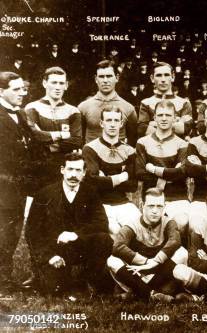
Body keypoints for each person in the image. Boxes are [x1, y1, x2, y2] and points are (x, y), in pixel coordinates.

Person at [25, 152, 113, 296]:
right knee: (54, 289)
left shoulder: (90, 192)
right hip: (54, 249)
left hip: (79, 246)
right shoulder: (45, 194)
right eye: (70, 169)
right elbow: (32, 232)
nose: (73, 175)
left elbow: (102, 223)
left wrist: (76, 234)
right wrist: (49, 256)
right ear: (62, 170)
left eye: (78, 170)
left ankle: (84, 279)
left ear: (84, 172)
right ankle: (49, 276)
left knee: (104, 239)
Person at [106, 187, 188, 303]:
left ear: (164, 207)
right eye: (151, 206)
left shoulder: (168, 222)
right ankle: (153, 293)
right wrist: (145, 262)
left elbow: (175, 241)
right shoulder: (132, 224)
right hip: (139, 271)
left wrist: (155, 261)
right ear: (142, 205)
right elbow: (117, 246)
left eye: (159, 206)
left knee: (182, 253)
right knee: (112, 260)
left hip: (161, 271)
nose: (155, 211)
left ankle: (139, 292)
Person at [82, 105, 140, 237]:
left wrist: (105, 178)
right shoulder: (90, 149)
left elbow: (133, 186)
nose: (112, 124)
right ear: (102, 123)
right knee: (116, 233)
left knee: (139, 232)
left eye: (116, 121)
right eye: (108, 120)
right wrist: (122, 176)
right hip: (99, 204)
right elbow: (92, 182)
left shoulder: (129, 151)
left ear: (121, 124)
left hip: (123, 203)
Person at [0, 72, 34, 295]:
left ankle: (5, 276)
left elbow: (31, 140)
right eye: (16, 89)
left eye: (23, 88)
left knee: (11, 232)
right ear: (1, 91)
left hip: (17, 185)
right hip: (3, 184)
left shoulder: (20, 114)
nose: (22, 93)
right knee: (3, 231)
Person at [135, 100, 190, 237]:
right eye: (160, 115)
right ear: (154, 118)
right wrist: (170, 174)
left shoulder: (182, 144)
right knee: (150, 230)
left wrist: (153, 169)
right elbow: (140, 173)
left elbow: (182, 173)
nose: (164, 118)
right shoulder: (143, 142)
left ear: (175, 118)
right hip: (151, 195)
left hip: (176, 195)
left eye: (168, 115)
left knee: (181, 222)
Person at [24, 66, 82, 186]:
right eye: (54, 82)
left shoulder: (73, 111)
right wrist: (63, 135)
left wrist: (47, 145)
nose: (57, 87)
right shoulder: (32, 107)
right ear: (45, 83)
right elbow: (34, 137)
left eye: (61, 83)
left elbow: (76, 141)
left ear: (66, 85)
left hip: (64, 167)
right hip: (38, 167)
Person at [79, 60, 138, 146]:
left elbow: (132, 142)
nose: (105, 80)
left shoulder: (128, 108)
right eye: (101, 76)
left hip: (118, 157)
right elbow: (79, 140)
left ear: (117, 78)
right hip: (91, 158)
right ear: (96, 79)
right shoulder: (83, 107)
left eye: (109, 76)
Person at [138, 62, 193, 139]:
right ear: (152, 78)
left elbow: (186, 129)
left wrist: (153, 124)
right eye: (159, 75)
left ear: (173, 77)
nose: (163, 79)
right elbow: (142, 129)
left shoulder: (184, 103)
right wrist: (175, 122)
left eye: (166, 75)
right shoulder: (146, 103)